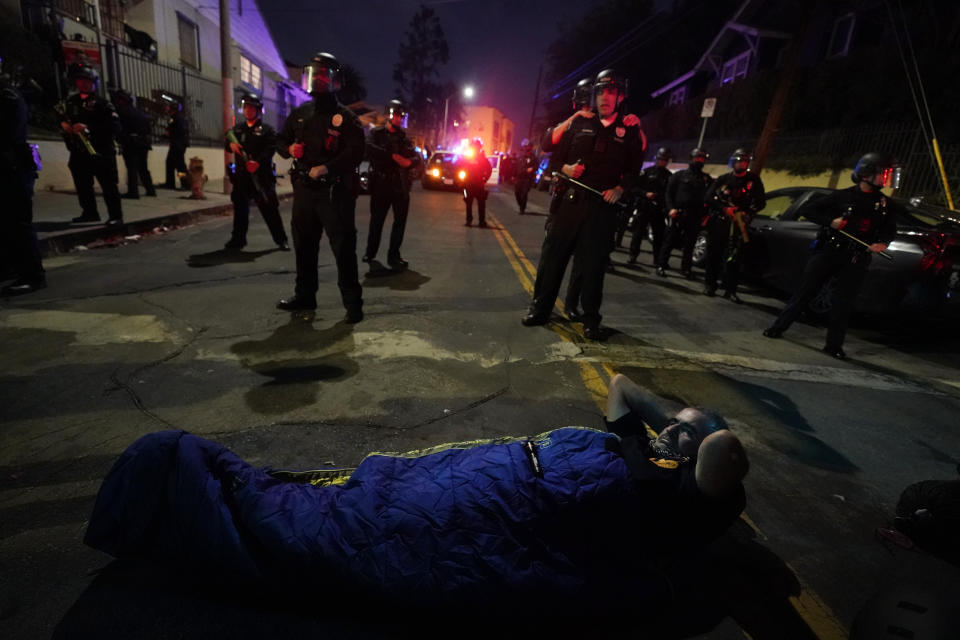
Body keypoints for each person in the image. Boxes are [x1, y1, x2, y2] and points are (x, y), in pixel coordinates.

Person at [85, 378, 747, 609]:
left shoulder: (679, 497)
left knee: (353, 528)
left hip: (517, 512)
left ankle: (180, 490)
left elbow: (723, 455)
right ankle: (189, 487)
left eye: (679, 436)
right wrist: (668, 424)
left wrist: (693, 437)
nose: (672, 433)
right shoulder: (641, 444)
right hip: (502, 476)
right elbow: (623, 385)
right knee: (344, 496)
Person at [521, 69, 644, 340]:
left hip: (601, 209)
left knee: (592, 268)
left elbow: (635, 170)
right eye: (600, 92)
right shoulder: (579, 123)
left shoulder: (631, 129)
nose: (605, 98)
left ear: (620, 96)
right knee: (552, 260)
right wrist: (564, 168)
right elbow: (552, 160)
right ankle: (540, 309)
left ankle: (590, 320)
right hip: (569, 205)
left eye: (611, 92)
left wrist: (620, 189)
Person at [762, 153, 900, 359]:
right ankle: (778, 327)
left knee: (843, 302)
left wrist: (882, 243)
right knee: (806, 291)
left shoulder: (885, 205)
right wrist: (831, 222)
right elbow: (808, 210)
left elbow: (890, 230)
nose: (885, 178)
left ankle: (834, 345)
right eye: (882, 173)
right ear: (865, 174)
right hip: (829, 251)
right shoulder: (842, 196)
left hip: (856, 257)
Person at [275, 52, 364, 323]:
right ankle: (305, 296)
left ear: (335, 80)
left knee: (343, 248)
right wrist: (289, 148)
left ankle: (353, 305)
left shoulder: (346, 118)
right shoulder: (301, 114)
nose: (318, 80)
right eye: (314, 75)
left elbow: (356, 152)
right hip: (304, 191)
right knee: (304, 245)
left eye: (323, 75)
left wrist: (328, 168)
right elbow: (280, 141)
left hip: (333, 193)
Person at [604, 373, 749, 505]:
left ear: (702, 452)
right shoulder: (638, 443)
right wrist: (670, 429)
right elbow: (620, 383)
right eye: (673, 422)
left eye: (688, 432)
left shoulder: (686, 484)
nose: (671, 429)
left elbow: (723, 440)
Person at [57, 63, 124, 226]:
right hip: (79, 151)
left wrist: (89, 128)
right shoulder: (71, 102)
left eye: (87, 80)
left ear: (94, 83)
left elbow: (114, 126)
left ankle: (115, 216)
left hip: (101, 151)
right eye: (80, 80)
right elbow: (61, 117)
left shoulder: (103, 104)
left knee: (108, 185)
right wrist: (64, 125)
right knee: (82, 184)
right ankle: (89, 212)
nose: (83, 83)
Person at [1, 57, 45, 295]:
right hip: (10, 165)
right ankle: (12, 268)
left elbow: (10, 133)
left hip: (12, 167)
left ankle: (33, 275)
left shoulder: (7, 95)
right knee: (7, 223)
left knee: (18, 222)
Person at [224, 92, 289, 251]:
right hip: (242, 178)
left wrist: (257, 163)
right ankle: (238, 240)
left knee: (270, 210)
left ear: (258, 110)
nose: (248, 110)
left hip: (261, 178)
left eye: (251, 107)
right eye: (245, 107)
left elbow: (270, 149)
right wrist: (230, 145)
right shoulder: (237, 130)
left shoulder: (267, 130)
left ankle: (281, 240)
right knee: (240, 210)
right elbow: (228, 142)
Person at [363, 98, 421, 269]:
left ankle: (394, 256)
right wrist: (391, 157)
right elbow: (369, 148)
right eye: (396, 115)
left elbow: (415, 158)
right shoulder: (377, 134)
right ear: (389, 115)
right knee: (377, 221)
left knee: (399, 222)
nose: (398, 119)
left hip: (400, 185)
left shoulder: (404, 138)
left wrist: (408, 162)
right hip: (381, 184)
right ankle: (370, 252)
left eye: (400, 116)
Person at [702, 148, 765, 302]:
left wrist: (747, 213)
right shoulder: (723, 180)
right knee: (714, 255)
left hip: (739, 224)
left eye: (744, 161)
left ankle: (730, 289)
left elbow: (761, 202)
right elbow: (708, 197)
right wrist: (724, 208)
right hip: (721, 222)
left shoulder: (754, 181)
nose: (741, 164)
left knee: (735, 257)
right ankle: (710, 285)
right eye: (739, 161)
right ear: (733, 163)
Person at [657, 148, 713, 279]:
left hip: (695, 216)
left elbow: (710, 197)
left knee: (690, 244)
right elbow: (669, 194)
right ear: (691, 158)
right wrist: (671, 208)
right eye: (697, 158)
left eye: (702, 158)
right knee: (669, 241)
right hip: (678, 214)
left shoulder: (706, 179)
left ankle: (686, 269)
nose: (699, 160)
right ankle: (661, 265)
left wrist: (705, 215)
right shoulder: (679, 176)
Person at [626, 146, 672, 266]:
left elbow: (669, 193)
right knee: (638, 234)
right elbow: (634, 188)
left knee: (658, 237)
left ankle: (657, 260)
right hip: (644, 207)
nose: (662, 162)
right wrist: (645, 194)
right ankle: (633, 255)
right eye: (661, 159)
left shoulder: (669, 176)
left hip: (658, 210)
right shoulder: (647, 172)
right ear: (657, 159)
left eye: (665, 160)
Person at [111, 89, 156, 199]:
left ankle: (133, 192)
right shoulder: (140, 112)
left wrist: (119, 139)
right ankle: (150, 190)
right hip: (143, 143)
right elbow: (148, 129)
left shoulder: (122, 112)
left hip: (131, 143)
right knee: (143, 168)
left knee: (132, 168)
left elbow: (118, 128)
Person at [456, 138, 492, 227]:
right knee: (468, 202)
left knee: (481, 203)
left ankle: (481, 222)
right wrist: (462, 179)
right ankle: (469, 220)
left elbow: (489, 169)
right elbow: (460, 167)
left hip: (479, 184)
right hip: (468, 183)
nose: (475, 148)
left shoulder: (482, 158)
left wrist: (484, 179)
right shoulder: (468, 157)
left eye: (477, 146)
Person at [160, 95, 189, 190]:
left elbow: (180, 131)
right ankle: (170, 183)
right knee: (170, 163)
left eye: (168, 107)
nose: (166, 108)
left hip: (178, 144)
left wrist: (170, 135)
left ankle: (184, 184)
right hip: (176, 144)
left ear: (173, 108)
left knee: (180, 165)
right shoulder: (175, 117)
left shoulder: (178, 118)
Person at [513, 138, 537, 215]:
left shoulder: (533, 158)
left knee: (524, 194)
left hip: (527, 179)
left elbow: (536, 166)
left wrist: (532, 169)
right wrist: (513, 176)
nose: (527, 148)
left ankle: (522, 209)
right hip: (519, 178)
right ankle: (521, 205)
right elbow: (515, 167)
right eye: (525, 146)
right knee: (517, 193)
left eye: (528, 146)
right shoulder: (520, 156)